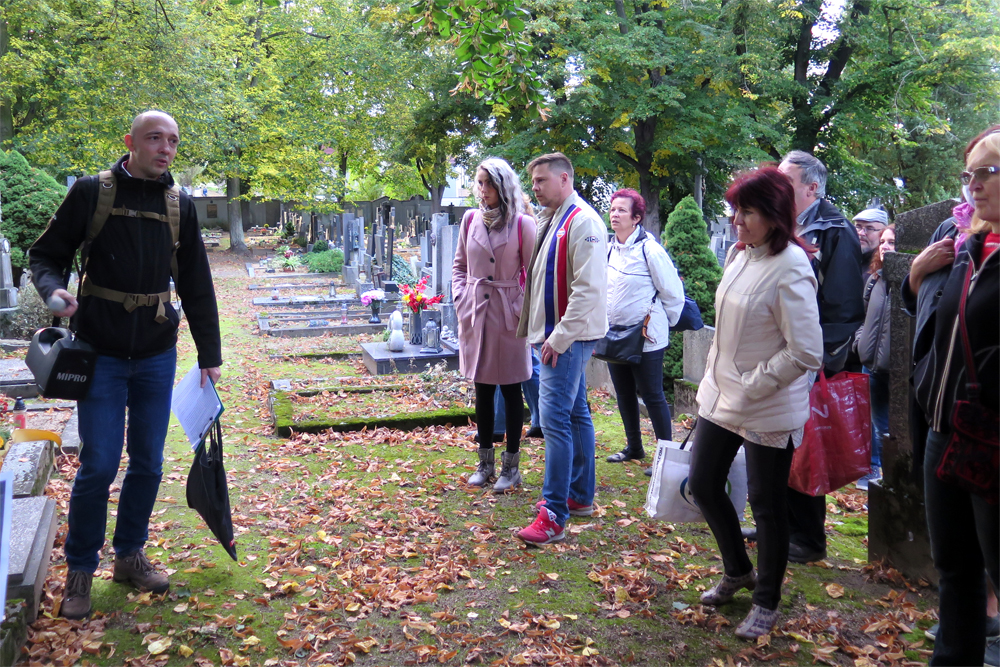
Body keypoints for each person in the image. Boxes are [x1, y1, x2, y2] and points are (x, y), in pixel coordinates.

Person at [29, 110, 222, 619]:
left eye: (174, 141)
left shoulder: (180, 205)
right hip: (102, 353)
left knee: (150, 463)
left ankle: (130, 555)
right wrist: (53, 292)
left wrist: (210, 354)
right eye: (155, 138)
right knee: (98, 464)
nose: (166, 148)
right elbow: (45, 254)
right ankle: (79, 570)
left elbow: (198, 283)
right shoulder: (93, 193)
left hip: (157, 354)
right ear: (130, 142)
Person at [689, 166, 823, 640]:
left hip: (767, 404)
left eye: (746, 212)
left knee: (767, 507)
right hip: (720, 397)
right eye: (734, 210)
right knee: (702, 484)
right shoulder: (739, 255)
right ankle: (738, 570)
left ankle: (766, 600)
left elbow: (807, 350)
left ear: (773, 215)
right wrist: (717, 382)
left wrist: (752, 383)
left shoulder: (791, 266)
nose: (736, 221)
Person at [903, 127, 999, 666]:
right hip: (943, 428)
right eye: (969, 175)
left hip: (992, 435)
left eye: (988, 171)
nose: (974, 185)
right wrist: (916, 276)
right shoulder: (967, 243)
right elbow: (936, 321)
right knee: (955, 572)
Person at [515, 152, 608, 545]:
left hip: (565, 339)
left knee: (553, 421)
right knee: (574, 414)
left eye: (540, 181)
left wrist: (558, 337)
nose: (534, 188)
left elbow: (588, 289)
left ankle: (553, 513)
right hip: (557, 335)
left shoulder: (582, 221)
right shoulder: (554, 218)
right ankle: (580, 496)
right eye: (533, 181)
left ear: (564, 178)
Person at [777, 151, 865, 564]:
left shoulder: (835, 230)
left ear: (812, 188)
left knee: (804, 448)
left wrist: (819, 363)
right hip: (781, 354)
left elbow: (844, 307)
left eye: (787, 181)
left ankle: (809, 539)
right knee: (778, 445)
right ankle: (781, 525)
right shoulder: (784, 223)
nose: (778, 187)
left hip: (811, 361)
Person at [453, 157, 537, 493]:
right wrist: (461, 299)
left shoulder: (522, 224)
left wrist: (520, 310)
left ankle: (511, 466)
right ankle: (484, 462)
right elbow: (459, 266)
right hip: (476, 314)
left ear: (502, 186)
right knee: (483, 389)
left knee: (512, 389)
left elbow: (533, 275)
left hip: (508, 315)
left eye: (488, 183)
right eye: (479, 182)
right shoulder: (470, 219)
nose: (482, 190)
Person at [603, 188, 684, 464]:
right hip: (615, 335)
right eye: (613, 209)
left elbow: (673, 292)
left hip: (647, 336)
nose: (615, 214)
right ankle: (634, 447)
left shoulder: (650, 250)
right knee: (624, 393)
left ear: (636, 218)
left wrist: (663, 327)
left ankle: (667, 457)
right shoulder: (609, 248)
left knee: (652, 395)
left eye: (622, 210)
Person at [853, 224, 894, 490]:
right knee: (873, 420)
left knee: (886, 424)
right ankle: (873, 469)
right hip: (871, 361)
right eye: (884, 242)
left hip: (894, 366)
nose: (886, 247)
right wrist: (860, 342)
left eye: (892, 242)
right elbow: (865, 315)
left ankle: (888, 475)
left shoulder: (912, 282)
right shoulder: (875, 278)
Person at [853, 208, 889, 280]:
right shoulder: (846, 258)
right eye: (858, 227)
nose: (861, 233)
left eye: (870, 228)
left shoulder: (884, 267)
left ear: (883, 233)